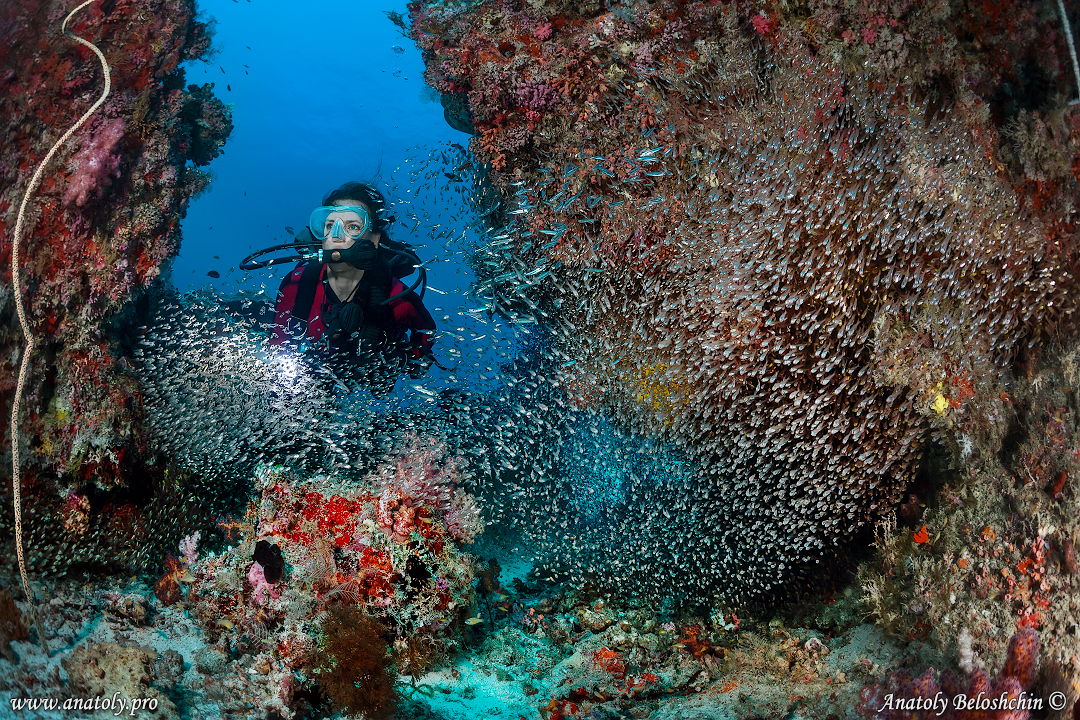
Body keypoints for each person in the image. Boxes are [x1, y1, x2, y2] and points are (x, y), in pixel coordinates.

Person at [271, 182, 436, 391]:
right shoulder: (296, 285)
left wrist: (407, 360)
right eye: (330, 226)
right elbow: (278, 346)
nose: (336, 236)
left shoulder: (398, 298)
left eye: (353, 227)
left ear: (374, 240)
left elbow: (426, 331)